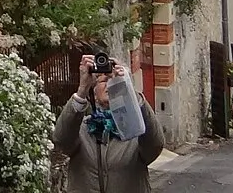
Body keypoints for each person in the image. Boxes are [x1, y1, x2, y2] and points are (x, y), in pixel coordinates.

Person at [53, 53, 164, 192]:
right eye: (104, 80)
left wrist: (127, 88)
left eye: (114, 80)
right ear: (94, 92)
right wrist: (82, 89)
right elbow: (61, 141)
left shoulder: (136, 128)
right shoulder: (82, 128)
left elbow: (155, 145)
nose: (110, 85)